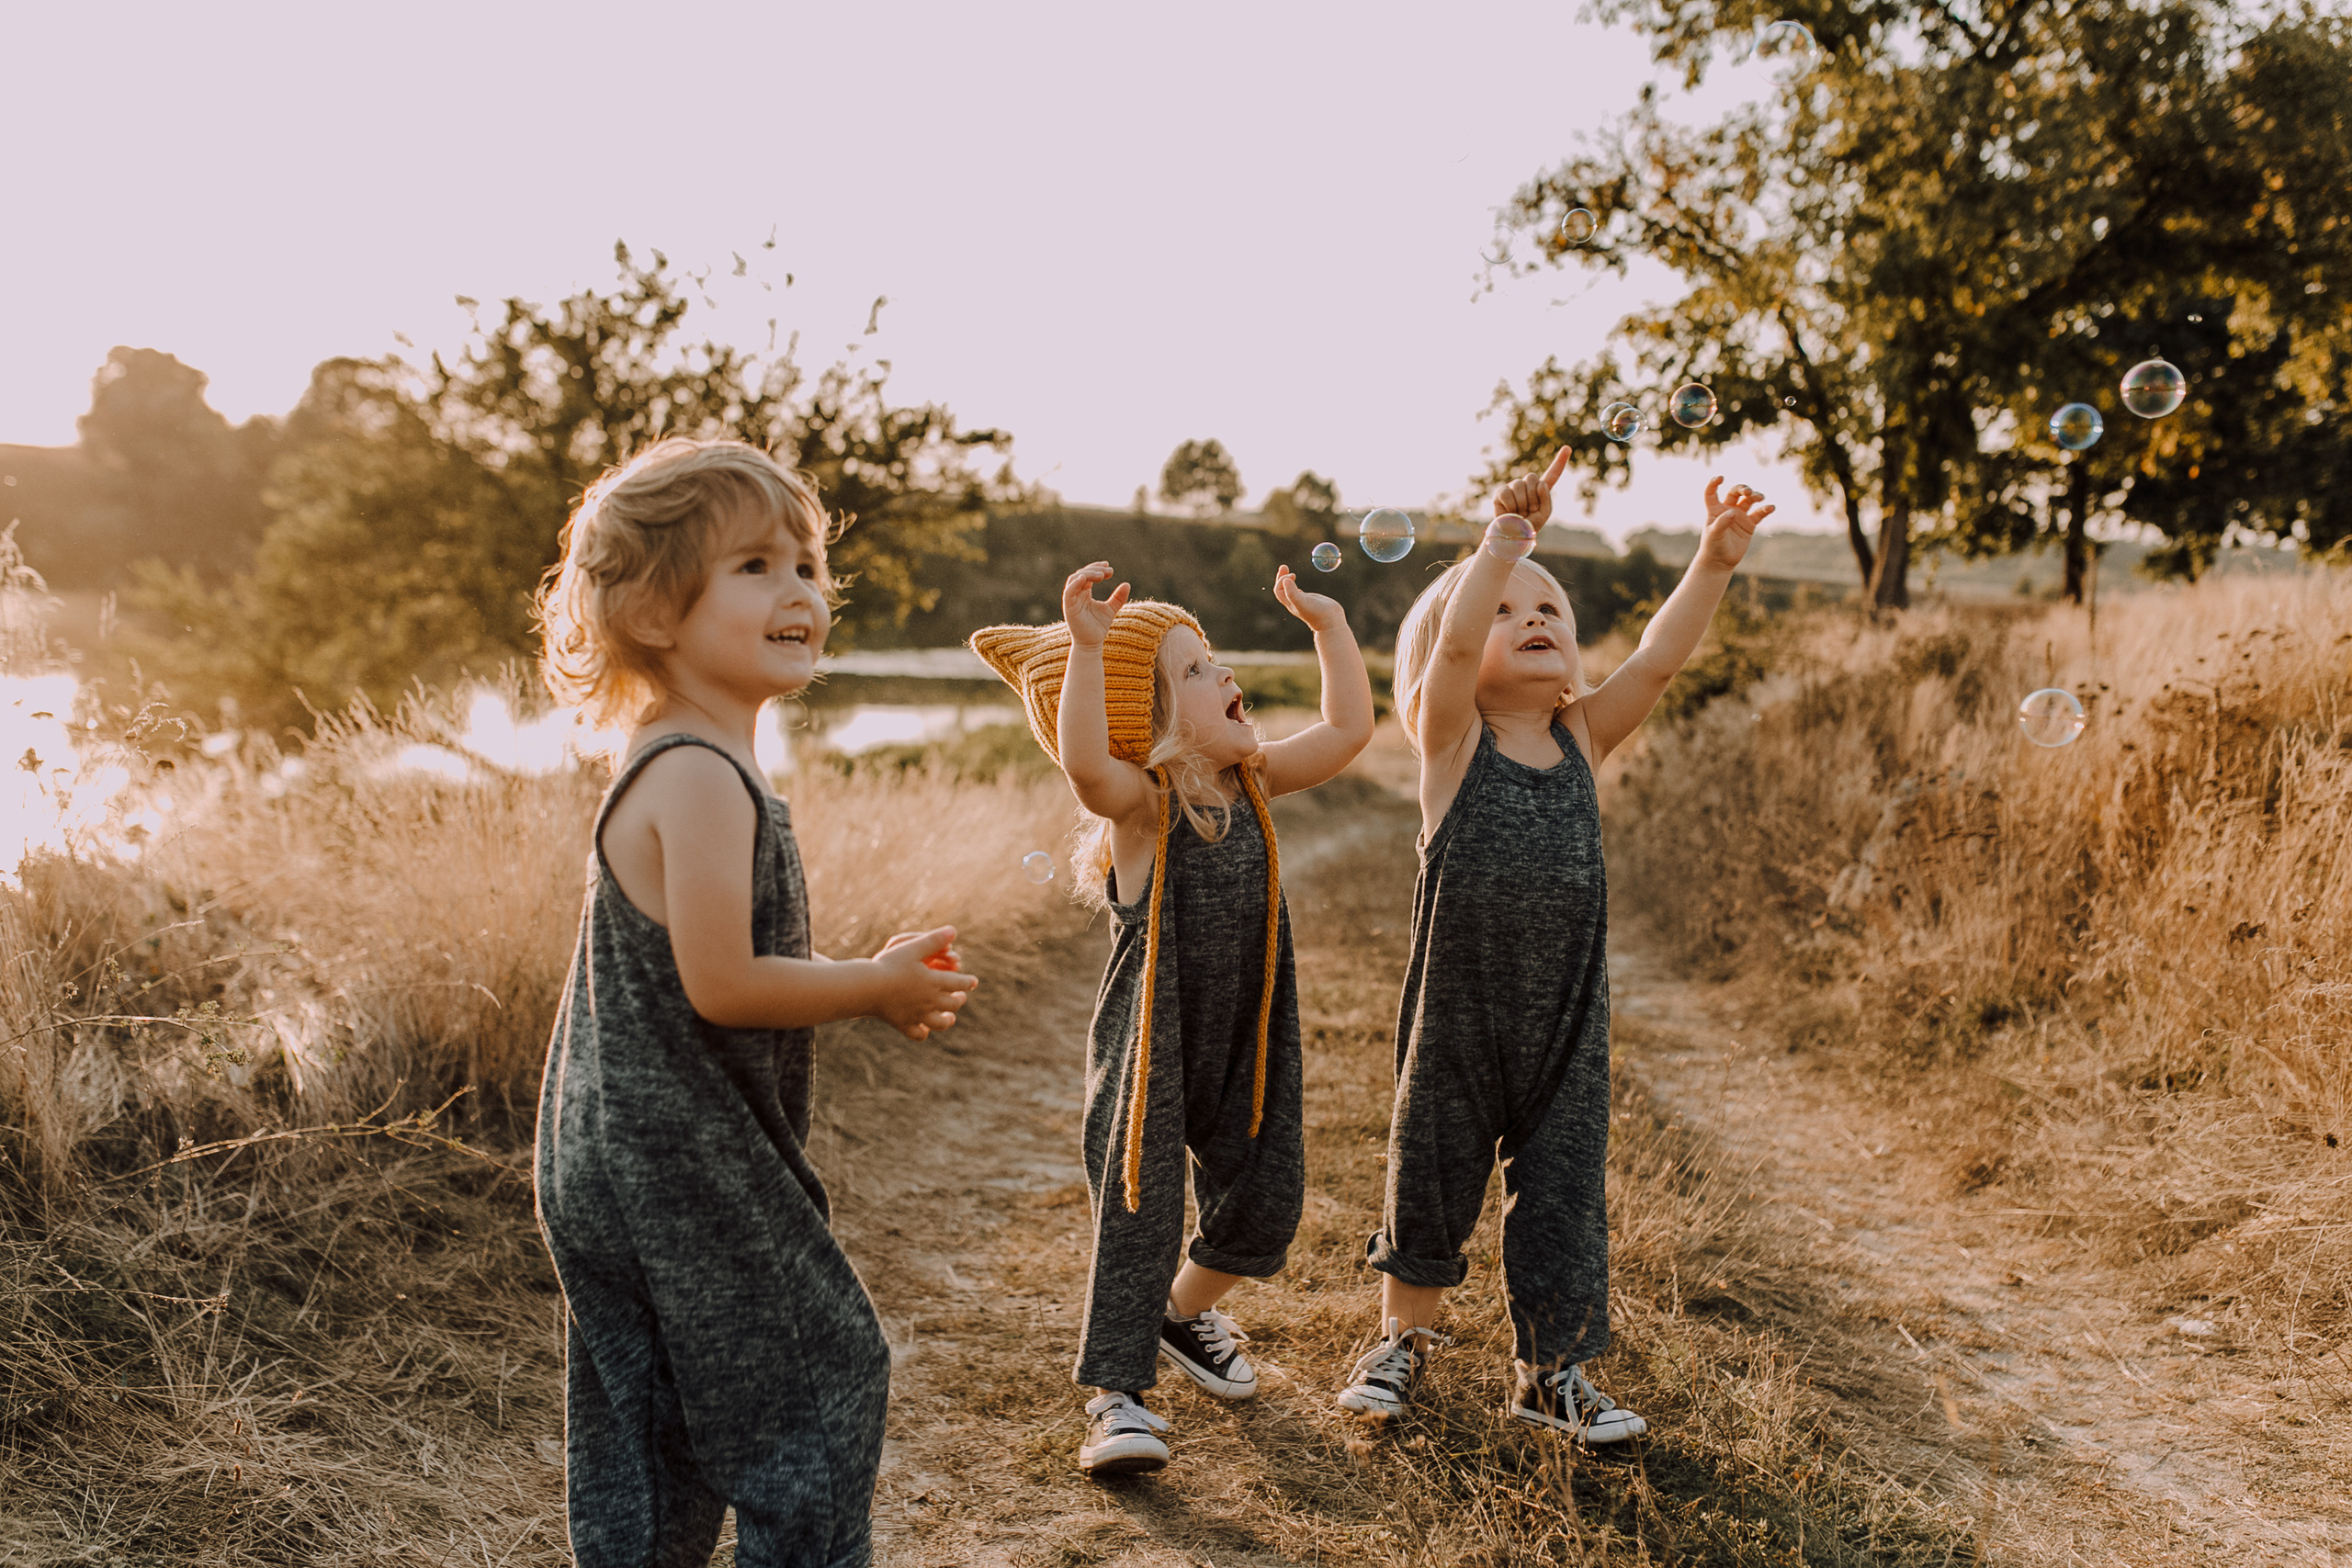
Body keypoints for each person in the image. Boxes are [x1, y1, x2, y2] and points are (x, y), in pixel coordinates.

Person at [532, 437, 977, 1566]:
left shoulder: (683, 756)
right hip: (677, 1161)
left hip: (618, 1152)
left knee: (657, 1431)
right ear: (649, 612)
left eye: (808, 565)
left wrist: (872, 976)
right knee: (819, 1386)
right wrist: (873, 986)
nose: (800, 592)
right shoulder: (695, 773)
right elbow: (722, 985)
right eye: (754, 566)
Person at [1337, 451, 1772, 1446]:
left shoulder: (1582, 737)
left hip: (1567, 1023)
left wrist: (1711, 562)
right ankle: (1399, 1343)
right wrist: (1503, 543)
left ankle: (1551, 1373)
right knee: (1430, 1176)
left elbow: (1658, 659)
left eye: (1549, 610)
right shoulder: (1453, 742)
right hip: (1458, 1018)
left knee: (1565, 1195)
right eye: (1501, 611)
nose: (1530, 617)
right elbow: (1450, 662)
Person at [970, 560, 1374, 1477]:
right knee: (1140, 1214)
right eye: (1193, 671)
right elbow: (1083, 766)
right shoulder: (1143, 810)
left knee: (1268, 1203)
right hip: (1152, 1047)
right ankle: (1118, 1396)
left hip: (1244, 1042)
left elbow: (1349, 730)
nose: (1224, 675)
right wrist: (1085, 650)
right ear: (1141, 721)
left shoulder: (1256, 785)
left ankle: (1179, 1313)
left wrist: (1330, 627)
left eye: (1215, 660)